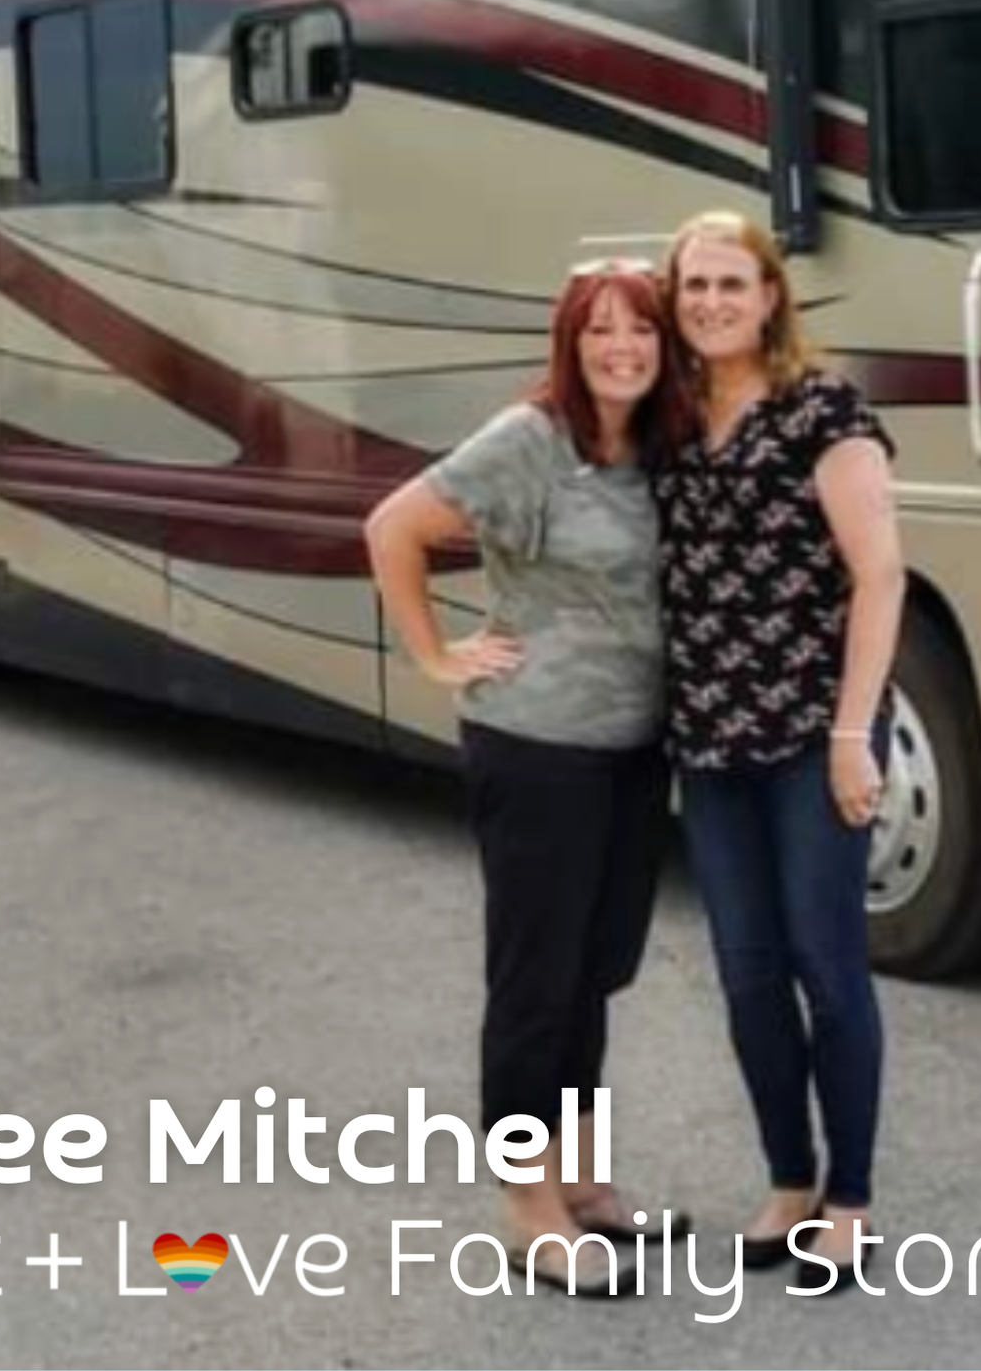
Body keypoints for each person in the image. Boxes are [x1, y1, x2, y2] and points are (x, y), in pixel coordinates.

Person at [363, 259, 689, 1294]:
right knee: (534, 984)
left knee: (594, 972)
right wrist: (432, 654)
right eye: (600, 330)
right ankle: (525, 1205)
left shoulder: (651, 449)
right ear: (570, 341)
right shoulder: (531, 439)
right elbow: (393, 527)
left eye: (639, 329)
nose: (621, 347)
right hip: (538, 746)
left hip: (631, 748)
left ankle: (582, 1181)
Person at [654, 210, 907, 1279]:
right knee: (747, 971)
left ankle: (847, 1198)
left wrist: (855, 734)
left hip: (813, 730)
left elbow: (879, 575)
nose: (708, 301)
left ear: (768, 296)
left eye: (728, 282)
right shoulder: (664, 418)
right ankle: (786, 1177)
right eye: (692, 286)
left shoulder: (823, 410)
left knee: (826, 963)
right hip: (709, 740)